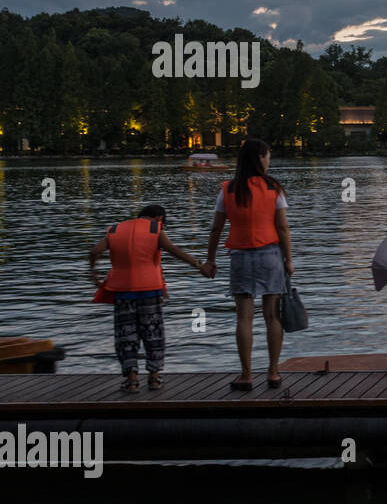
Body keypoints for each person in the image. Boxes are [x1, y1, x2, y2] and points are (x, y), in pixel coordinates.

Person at [90, 204, 214, 392]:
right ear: (159, 218)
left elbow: (94, 251)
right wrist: (200, 266)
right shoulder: (155, 229)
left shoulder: (115, 229)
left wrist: (94, 274)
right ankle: (154, 378)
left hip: (122, 291)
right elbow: (174, 250)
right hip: (149, 290)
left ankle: (131, 380)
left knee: (126, 335)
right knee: (153, 334)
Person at [204, 139, 292, 391]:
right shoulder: (273, 188)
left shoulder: (229, 189)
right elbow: (283, 227)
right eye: (268, 156)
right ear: (260, 158)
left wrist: (210, 259)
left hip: (241, 256)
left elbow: (216, 229)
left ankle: (246, 375)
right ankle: (273, 373)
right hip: (270, 255)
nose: (269, 161)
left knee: (244, 317)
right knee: (272, 316)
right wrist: (289, 259)